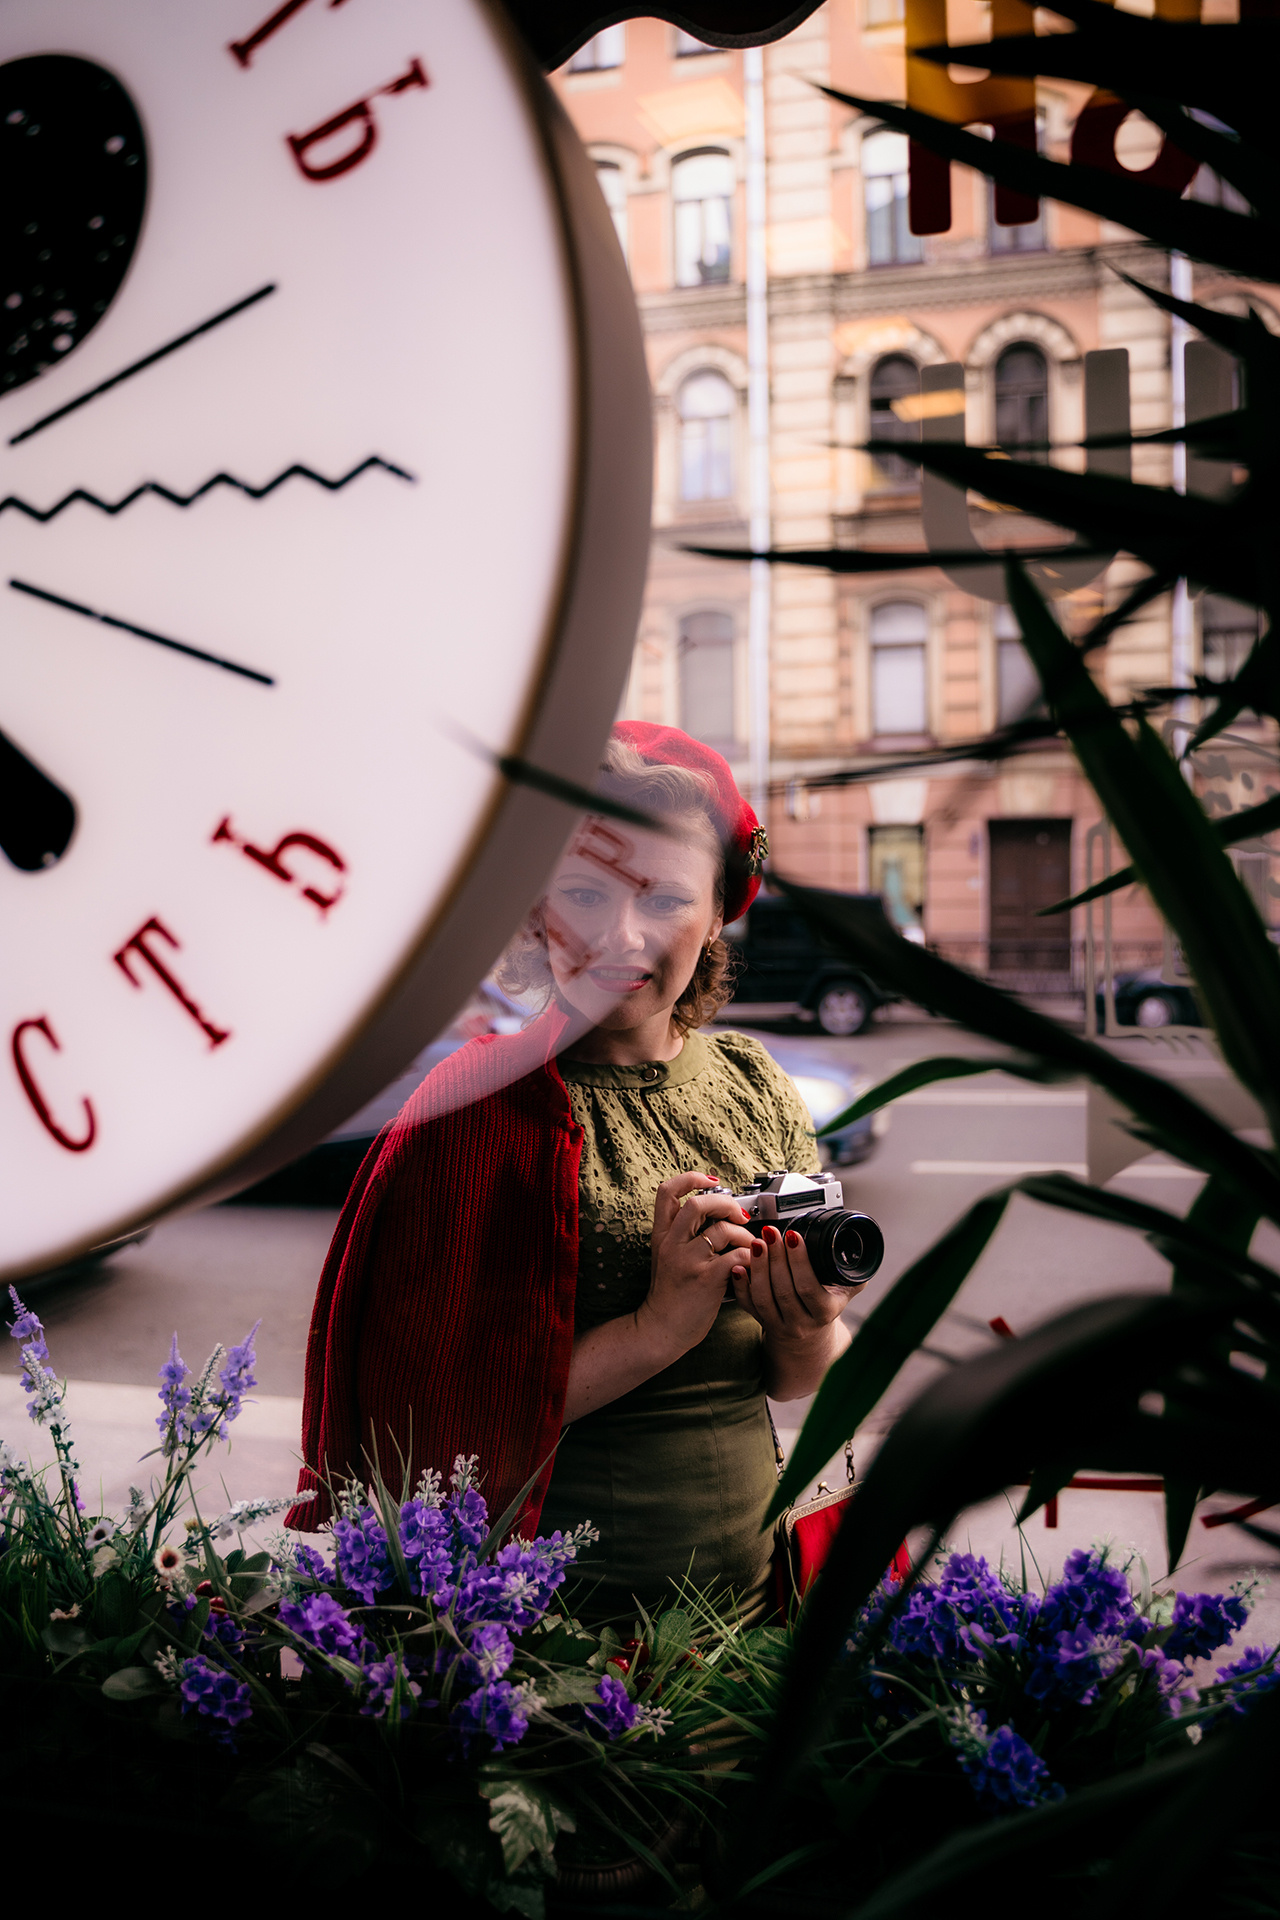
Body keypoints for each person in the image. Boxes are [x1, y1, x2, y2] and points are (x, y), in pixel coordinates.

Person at [287, 724, 861, 1621]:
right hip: (542, 1654)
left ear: (717, 913)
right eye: (585, 892)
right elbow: (436, 1418)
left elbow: (794, 1380)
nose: (619, 934)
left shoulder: (757, 1084)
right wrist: (656, 1328)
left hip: (752, 1623)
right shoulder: (473, 1106)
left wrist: (809, 1324)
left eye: (664, 896)